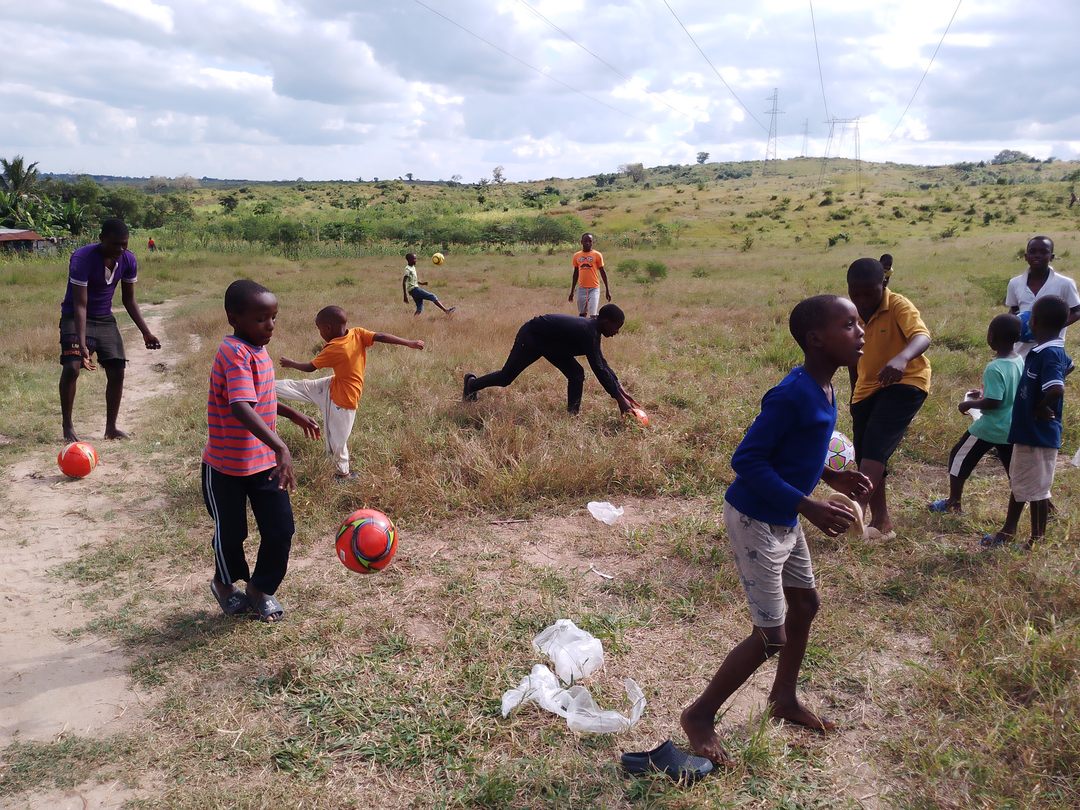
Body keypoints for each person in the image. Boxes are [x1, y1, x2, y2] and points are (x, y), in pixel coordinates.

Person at [680, 295, 871, 765]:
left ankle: (783, 699)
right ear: (816, 339)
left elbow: (799, 449)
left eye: (859, 322)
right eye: (849, 324)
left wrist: (830, 477)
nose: (861, 331)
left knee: (805, 604)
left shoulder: (826, 389)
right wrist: (809, 505)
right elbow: (747, 460)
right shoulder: (791, 395)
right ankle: (699, 715)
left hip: (784, 514)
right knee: (771, 635)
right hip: (756, 519)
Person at [202, 279, 321, 622]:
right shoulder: (234, 352)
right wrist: (281, 446)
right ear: (234, 318)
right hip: (225, 468)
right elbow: (241, 406)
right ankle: (224, 585)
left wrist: (292, 413)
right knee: (231, 533)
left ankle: (259, 589)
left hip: (263, 462)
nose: (270, 325)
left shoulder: (258, 350)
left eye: (273, 317)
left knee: (280, 529)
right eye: (260, 319)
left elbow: (259, 397)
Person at [277, 306, 424, 480]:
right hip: (334, 386)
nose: (320, 333)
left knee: (336, 438)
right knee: (308, 394)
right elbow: (381, 336)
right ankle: (343, 473)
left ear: (328, 328)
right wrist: (408, 342)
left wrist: (291, 363)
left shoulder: (334, 348)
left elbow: (310, 368)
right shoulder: (357, 333)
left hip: (342, 399)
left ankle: (342, 474)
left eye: (319, 329)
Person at [847, 257, 931, 540]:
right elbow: (853, 357)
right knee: (866, 454)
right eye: (855, 293)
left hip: (906, 382)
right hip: (866, 389)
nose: (861, 300)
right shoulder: (851, 313)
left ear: (882, 284)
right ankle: (881, 522)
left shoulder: (897, 305)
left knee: (875, 444)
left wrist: (902, 358)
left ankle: (857, 509)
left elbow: (922, 336)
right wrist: (855, 395)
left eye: (868, 293)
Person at [981, 296, 1073, 549]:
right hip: (1028, 432)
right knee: (1022, 482)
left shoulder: (1049, 353)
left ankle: (1036, 539)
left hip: (1038, 433)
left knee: (1038, 489)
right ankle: (1008, 530)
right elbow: (1070, 366)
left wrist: (1040, 407)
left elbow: (1056, 388)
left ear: (1034, 322)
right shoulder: (1047, 350)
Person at [59, 218, 161, 442]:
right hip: (74, 317)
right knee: (72, 367)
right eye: (115, 244)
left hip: (104, 318)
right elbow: (80, 305)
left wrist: (146, 332)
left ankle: (111, 428)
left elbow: (129, 300)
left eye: (124, 244)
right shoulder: (82, 258)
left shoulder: (128, 259)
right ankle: (67, 426)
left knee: (117, 370)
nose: (120, 249)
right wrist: (82, 344)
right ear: (102, 239)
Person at [463, 304, 634, 414]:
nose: (616, 332)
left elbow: (602, 363)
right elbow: (598, 368)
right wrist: (619, 399)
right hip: (532, 337)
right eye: (616, 327)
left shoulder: (594, 331)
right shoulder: (588, 331)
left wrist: (619, 389)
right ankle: (471, 384)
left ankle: (572, 415)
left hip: (553, 345)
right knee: (505, 377)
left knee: (576, 373)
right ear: (605, 322)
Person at [928, 314, 1023, 513]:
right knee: (1015, 472)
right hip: (1012, 427)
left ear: (992, 337)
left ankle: (953, 503)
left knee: (958, 457)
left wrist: (968, 404)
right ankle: (1044, 504)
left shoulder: (994, 367)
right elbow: (1010, 392)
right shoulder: (1018, 360)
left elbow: (994, 402)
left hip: (990, 427)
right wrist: (983, 394)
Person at [1005, 236, 1080, 356]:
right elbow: (1014, 310)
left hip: (1051, 349)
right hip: (1021, 351)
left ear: (1052, 257)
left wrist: (1052, 328)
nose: (1037, 255)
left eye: (1043, 252)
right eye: (1032, 251)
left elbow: (1077, 312)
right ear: (1026, 256)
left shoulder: (1065, 283)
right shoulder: (1015, 283)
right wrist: (1010, 329)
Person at [567, 233, 611, 318]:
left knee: (593, 314)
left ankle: (595, 326)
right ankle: (582, 327)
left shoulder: (597, 255)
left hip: (594, 288)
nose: (587, 243)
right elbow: (575, 274)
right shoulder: (576, 256)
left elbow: (603, 272)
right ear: (581, 242)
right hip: (581, 288)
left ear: (592, 242)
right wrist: (572, 292)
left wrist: (607, 290)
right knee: (582, 314)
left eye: (590, 241)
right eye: (585, 241)